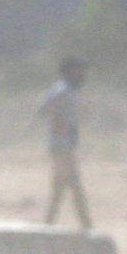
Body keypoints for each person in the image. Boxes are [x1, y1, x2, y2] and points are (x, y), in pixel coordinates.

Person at [40, 56, 92, 231]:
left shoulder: (66, 90)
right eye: (78, 70)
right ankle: (88, 228)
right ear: (69, 71)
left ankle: (46, 227)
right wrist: (59, 125)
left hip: (63, 145)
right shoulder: (63, 90)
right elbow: (44, 109)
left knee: (59, 189)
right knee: (75, 185)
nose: (82, 74)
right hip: (61, 146)